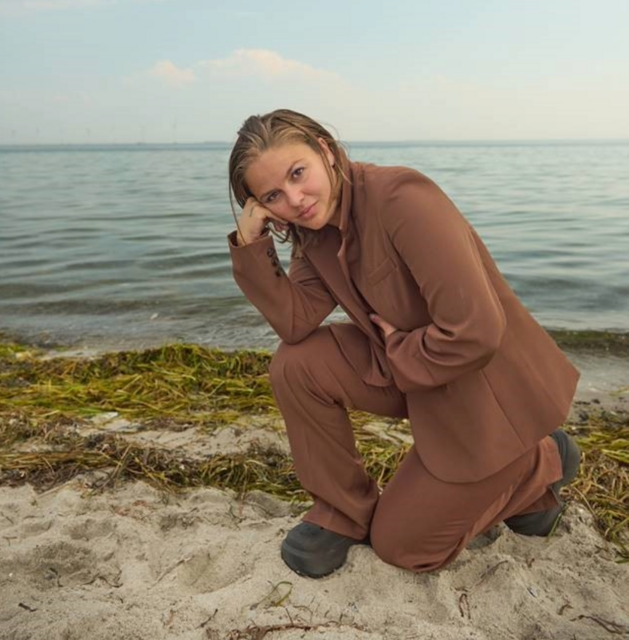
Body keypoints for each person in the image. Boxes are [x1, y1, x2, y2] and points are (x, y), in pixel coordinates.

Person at [227, 108, 581, 578]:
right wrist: (252, 246)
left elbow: (476, 332)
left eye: (298, 173)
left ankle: (542, 458)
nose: (295, 199)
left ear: (325, 150)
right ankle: (341, 513)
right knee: (296, 364)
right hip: (418, 376)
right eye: (274, 195)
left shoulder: (401, 197)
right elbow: (295, 322)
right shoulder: (314, 235)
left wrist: (401, 352)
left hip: (487, 394)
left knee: (401, 546)